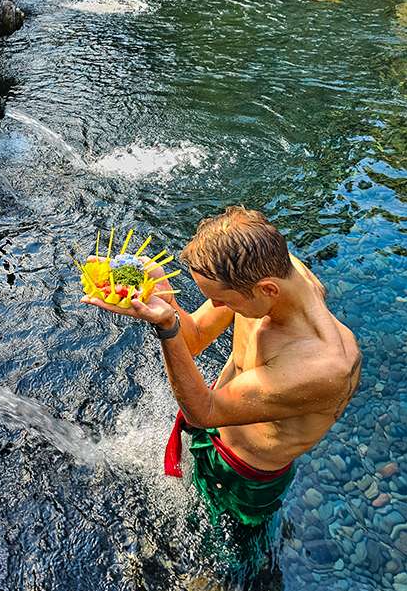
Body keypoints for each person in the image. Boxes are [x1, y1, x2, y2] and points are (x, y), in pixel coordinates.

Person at [81, 207, 361, 527]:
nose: (216, 307)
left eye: (223, 301)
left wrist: (167, 328)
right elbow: (197, 337)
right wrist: (165, 298)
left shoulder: (321, 368)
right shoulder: (268, 272)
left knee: (231, 559)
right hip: (217, 426)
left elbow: (203, 410)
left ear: (267, 289)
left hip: (245, 475)